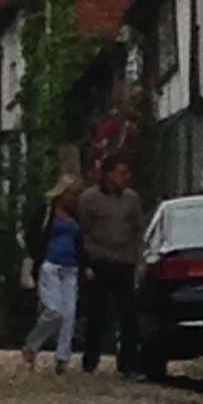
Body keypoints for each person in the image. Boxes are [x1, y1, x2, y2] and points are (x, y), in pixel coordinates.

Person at [76, 155, 145, 376]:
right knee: (97, 314)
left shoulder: (131, 199)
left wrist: (138, 258)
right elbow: (82, 231)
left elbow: (138, 229)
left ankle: (128, 363)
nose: (126, 177)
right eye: (121, 173)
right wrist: (89, 259)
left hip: (125, 261)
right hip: (100, 262)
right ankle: (91, 359)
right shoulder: (89, 199)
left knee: (128, 315)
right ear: (108, 174)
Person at [23, 184, 83, 372]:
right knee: (54, 310)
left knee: (69, 313)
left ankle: (63, 357)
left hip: (70, 267)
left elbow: (81, 240)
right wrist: (39, 256)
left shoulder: (76, 215)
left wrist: (84, 263)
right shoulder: (46, 212)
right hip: (50, 265)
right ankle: (32, 345)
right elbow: (32, 235)